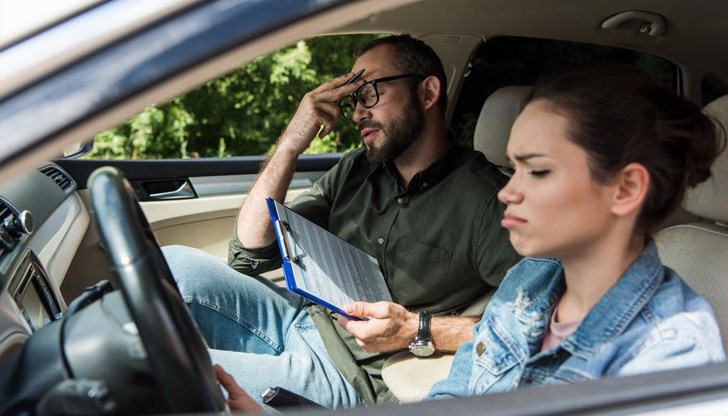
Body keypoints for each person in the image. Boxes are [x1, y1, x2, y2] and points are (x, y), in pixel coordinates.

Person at [162, 34, 520, 411]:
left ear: (427, 93)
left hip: (349, 376)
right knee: (170, 265)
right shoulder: (356, 168)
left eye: (369, 93)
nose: (356, 113)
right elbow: (249, 251)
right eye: (353, 99)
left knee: (159, 372)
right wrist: (289, 146)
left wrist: (415, 329)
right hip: (300, 314)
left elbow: (532, 324)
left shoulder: (488, 202)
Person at [424, 65, 726, 399]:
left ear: (625, 189)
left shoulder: (670, 356)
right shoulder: (529, 277)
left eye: (537, 170)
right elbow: (453, 394)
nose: (506, 192)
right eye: (514, 168)